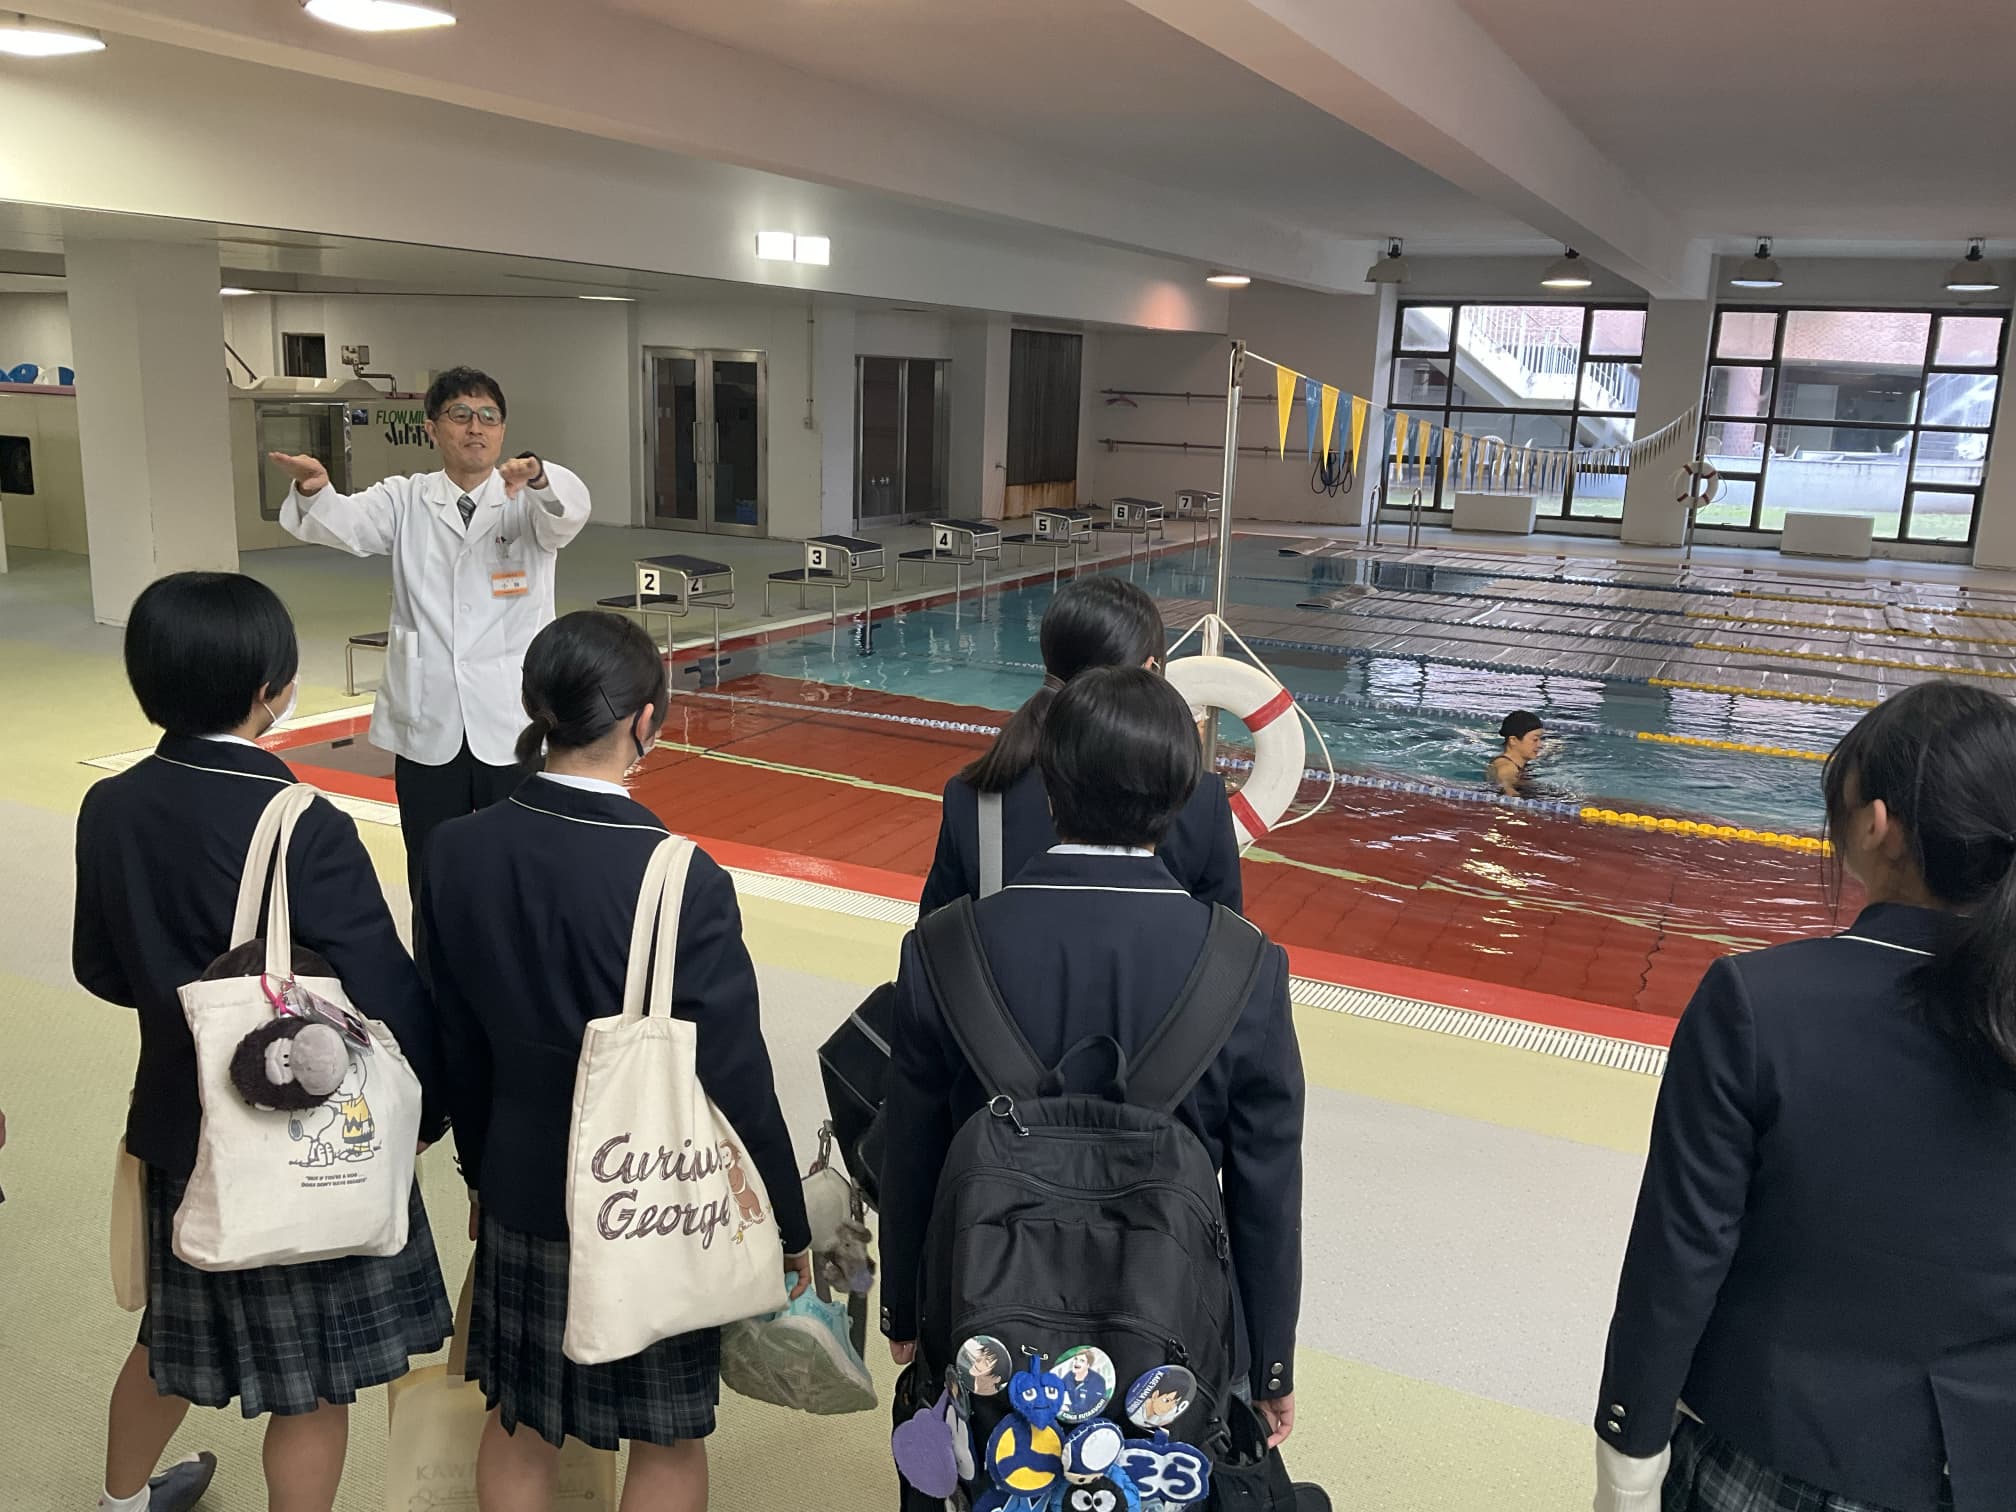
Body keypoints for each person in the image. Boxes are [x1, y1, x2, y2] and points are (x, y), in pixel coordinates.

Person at [73, 572, 449, 1512]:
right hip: (296, 1133)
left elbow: (99, 968)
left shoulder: (110, 805)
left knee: (169, 1338)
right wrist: (432, 1111)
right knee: (312, 1378)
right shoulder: (302, 821)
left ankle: (123, 1503)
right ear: (270, 691)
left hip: (176, 1122)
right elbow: (382, 987)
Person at [422, 610, 813, 1512]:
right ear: (645, 722)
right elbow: (736, 1077)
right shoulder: (681, 875)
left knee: (518, 1420)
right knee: (667, 1436)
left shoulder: (457, 849)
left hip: (521, 1179)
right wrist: (785, 1222)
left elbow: (456, 1038)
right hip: (651, 1196)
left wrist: (480, 1172)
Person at [1593, 679, 2016, 1512]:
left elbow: (1679, 1261)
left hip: (1780, 1456)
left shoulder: (1760, 1002)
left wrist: (1627, 1458)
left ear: (1878, 824)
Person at [881, 667, 1304, 1448]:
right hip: (1173, 1322)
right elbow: (1266, 1180)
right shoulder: (1243, 966)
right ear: (1180, 796)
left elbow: (911, 1147)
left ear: (1050, 786)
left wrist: (904, 1306)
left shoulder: (945, 947)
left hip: (980, 1310)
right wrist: (1269, 1362)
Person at [268, 366, 592, 963]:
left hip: (511, 718)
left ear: (503, 430)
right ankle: (437, 972)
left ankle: (522, 970)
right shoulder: (407, 498)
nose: (476, 428)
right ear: (432, 429)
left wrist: (541, 475)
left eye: (489, 416)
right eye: (460, 415)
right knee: (432, 861)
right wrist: (316, 491)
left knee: (519, 860)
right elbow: (348, 524)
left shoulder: (528, 502)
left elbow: (569, 512)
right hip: (429, 719)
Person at [917, 576, 1243, 915]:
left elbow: (935, 935)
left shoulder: (976, 796)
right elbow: (1224, 936)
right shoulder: (1199, 800)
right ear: (1148, 669)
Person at [1487, 710, 1545, 795]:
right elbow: (1506, 787)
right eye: (1535, 739)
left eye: (1541, 739)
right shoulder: (1506, 767)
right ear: (1513, 740)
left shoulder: (1515, 764)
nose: (1540, 745)